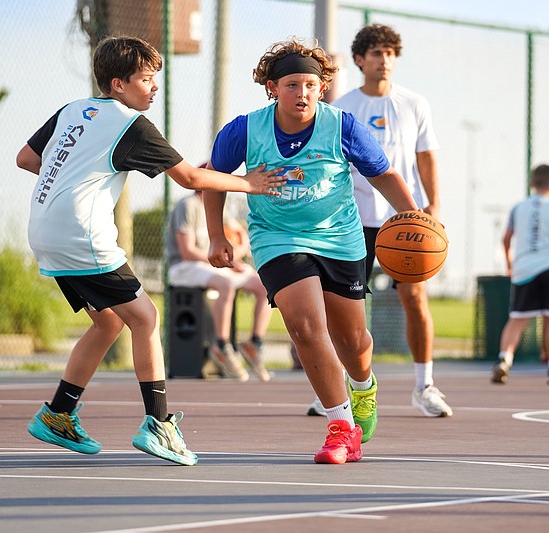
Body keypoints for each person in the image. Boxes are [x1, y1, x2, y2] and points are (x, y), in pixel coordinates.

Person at [16, 36, 284, 465]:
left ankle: (58, 414)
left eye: (156, 78)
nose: (154, 87)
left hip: (44, 231)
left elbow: (26, 159)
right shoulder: (129, 124)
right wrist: (249, 183)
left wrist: (71, 180)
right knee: (145, 318)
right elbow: (192, 180)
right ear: (119, 84)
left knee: (108, 323)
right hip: (79, 236)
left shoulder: (73, 110)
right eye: (146, 79)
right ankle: (159, 425)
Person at [203, 38, 418, 464]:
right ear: (272, 88)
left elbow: (384, 174)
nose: (302, 92)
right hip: (276, 237)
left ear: (322, 88)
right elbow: (213, 178)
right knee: (304, 326)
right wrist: (216, 236)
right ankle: (341, 430)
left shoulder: (342, 126)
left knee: (353, 341)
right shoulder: (245, 130)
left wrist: (415, 216)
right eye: (291, 84)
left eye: (310, 84)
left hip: (339, 237)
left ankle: (363, 386)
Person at [306, 24, 451, 419]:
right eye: (376, 54)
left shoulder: (415, 104)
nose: (384, 60)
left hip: (405, 219)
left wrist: (432, 205)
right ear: (359, 60)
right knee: (342, 307)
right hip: (351, 220)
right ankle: (335, 388)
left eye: (390, 53)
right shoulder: (343, 108)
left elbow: (426, 156)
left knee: (415, 298)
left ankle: (424, 386)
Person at [166, 190, 272, 382]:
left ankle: (254, 344)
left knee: (265, 285)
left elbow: (241, 233)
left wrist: (236, 253)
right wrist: (225, 262)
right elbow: (187, 251)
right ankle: (221, 346)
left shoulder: (216, 206)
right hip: (183, 266)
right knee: (226, 284)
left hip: (212, 264)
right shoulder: (188, 205)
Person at [490, 164, 549, 386]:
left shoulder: (518, 208)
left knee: (517, 318)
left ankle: (504, 360)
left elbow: (506, 238)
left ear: (532, 183)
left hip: (523, 268)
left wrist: (510, 264)